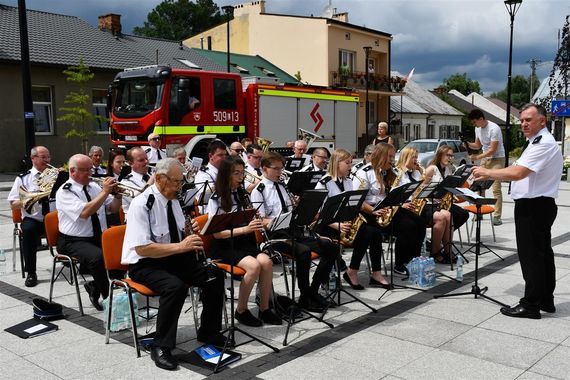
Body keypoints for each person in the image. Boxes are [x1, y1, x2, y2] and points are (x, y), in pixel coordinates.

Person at [122, 158, 226, 370]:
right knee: (174, 287)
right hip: (145, 264)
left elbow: (177, 236)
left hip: (172, 257)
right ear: (160, 179)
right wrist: (182, 246)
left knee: (214, 275)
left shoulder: (174, 200)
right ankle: (161, 346)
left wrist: (188, 233)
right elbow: (143, 249)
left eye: (181, 182)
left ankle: (208, 331)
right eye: (177, 182)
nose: (180, 187)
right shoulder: (142, 204)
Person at [472, 103, 562, 320]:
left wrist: (487, 171)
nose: (523, 124)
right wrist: (489, 175)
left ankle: (530, 304)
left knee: (532, 257)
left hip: (534, 207)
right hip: (538, 205)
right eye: (522, 120)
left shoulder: (543, 144)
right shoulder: (536, 142)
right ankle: (545, 300)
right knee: (542, 256)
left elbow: (519, 172)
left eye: (528, 120)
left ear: (543, 120)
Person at [250, 151, 338, 312]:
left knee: (330, 247)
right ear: (264, 168)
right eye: (275, 169)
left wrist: (298, 206)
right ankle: (305, 296)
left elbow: (292, 211)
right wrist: (278, 220)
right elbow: (260, 220)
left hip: (293, 231)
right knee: (303, 252)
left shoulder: (283, 186)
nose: (279, 172)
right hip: (276, 236)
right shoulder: (259, 190)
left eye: (281, 168)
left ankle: (312, 291)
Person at [206, 156, 281, 326]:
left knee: (267, 262)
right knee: (254, 266)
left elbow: (247, 220)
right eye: (236, 173)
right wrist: (246, 229)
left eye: (242, 173)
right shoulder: (216, 199)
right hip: (225, 246)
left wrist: (253, 217)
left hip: (244, 243)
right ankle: (241, 310)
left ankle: (264, 308)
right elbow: (217, 234)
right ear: (226, 175)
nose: (241, 177)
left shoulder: (241, 194)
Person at [315, 148, 390, 289]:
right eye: (347, 163)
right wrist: (336, 225)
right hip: (328, 225)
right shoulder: (324, 183)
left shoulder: (348, 182)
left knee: (375, 233)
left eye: (350, 163)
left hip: (344, 222)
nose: (350, 166)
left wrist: (373, 212)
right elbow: (319, 213)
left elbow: (356, 203)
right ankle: (351, 273)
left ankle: (372, 273)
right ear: (337, 163)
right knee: (367, 233)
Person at [55, 154, 122, 310]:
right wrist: (105, 192)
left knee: (121, 251)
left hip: (97, 236)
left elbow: (112, 209)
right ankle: (109, 299)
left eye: (91, 169)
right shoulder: (65, 191)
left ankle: (97, 285)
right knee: (97, 258)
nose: (90, 173)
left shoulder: (94, 187)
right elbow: (85, 213)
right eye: (86, 170)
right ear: (73, 171)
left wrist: (117, 195)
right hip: (72, 240)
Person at [353, 143, 425, 275]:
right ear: (381, 156)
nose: (393, 160)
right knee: (407, 225)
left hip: (387, 208)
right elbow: (358, 201)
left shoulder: (390, 172)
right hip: (370, 212)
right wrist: (373, 211)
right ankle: (400, 263)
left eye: (393, 156)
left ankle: (414, 258)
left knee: (419, 222)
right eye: (390, 157)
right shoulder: (364, 173)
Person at [7, 146, 55, 287]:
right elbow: (12, 204)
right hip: (33, 219)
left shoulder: (55, 176)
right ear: (33, 158)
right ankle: (31, 272)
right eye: (43, 157)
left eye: (48, 157)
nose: (47, 160)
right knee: (27, 231)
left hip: (53, 218)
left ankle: (72, 261)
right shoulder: (23, 178)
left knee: (72, 227)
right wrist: (30, 199)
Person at [396, 147, 453, 260]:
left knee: (448, 215)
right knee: (441, 217)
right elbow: (395, 193)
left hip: (421, 204)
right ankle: (435, 252)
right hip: (408, 207)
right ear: (406, 157)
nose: (416, 160)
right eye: (414, 157)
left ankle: (447, 251)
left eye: (417, 157)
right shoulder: (398, 173)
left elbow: (422, 190)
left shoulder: (417, 173)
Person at [467, 109, 506, 226]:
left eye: (474, 122)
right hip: (485, 158)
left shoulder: (494, 128)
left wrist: (478, 156)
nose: (474, 125)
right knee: (479, 186)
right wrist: (467, 143)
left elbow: (492, 149)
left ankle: (497, 216)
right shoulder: (477, 128)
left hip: (497, 158)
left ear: (481, 119)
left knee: (496, 188)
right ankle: (479, 212)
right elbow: (477, 145)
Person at [424, 145, 469, 244]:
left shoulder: (448, 170)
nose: (450, 158)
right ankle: (439, 241)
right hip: (431, 203)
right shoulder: (431, 169)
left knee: (463, 214)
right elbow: (422, 189)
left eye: (451, 156)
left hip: (442, 203)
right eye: (447, 155)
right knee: (451, 215)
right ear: (440, 155)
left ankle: (440, 237)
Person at [194, 139, 228, 211]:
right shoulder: (203, 174)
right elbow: (205, 196)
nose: (224, 158)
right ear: (210, 156)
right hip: (209, 213)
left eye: (225, 155)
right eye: (220, 155)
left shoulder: (225, 170)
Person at [120, 147, 153, 217]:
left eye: (146, 159)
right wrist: (150, 182)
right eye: (141, 160)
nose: (146, 162)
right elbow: (138, 201)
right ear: (130, 163)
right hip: (136, 221)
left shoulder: (151, 176)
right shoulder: (125, 182)